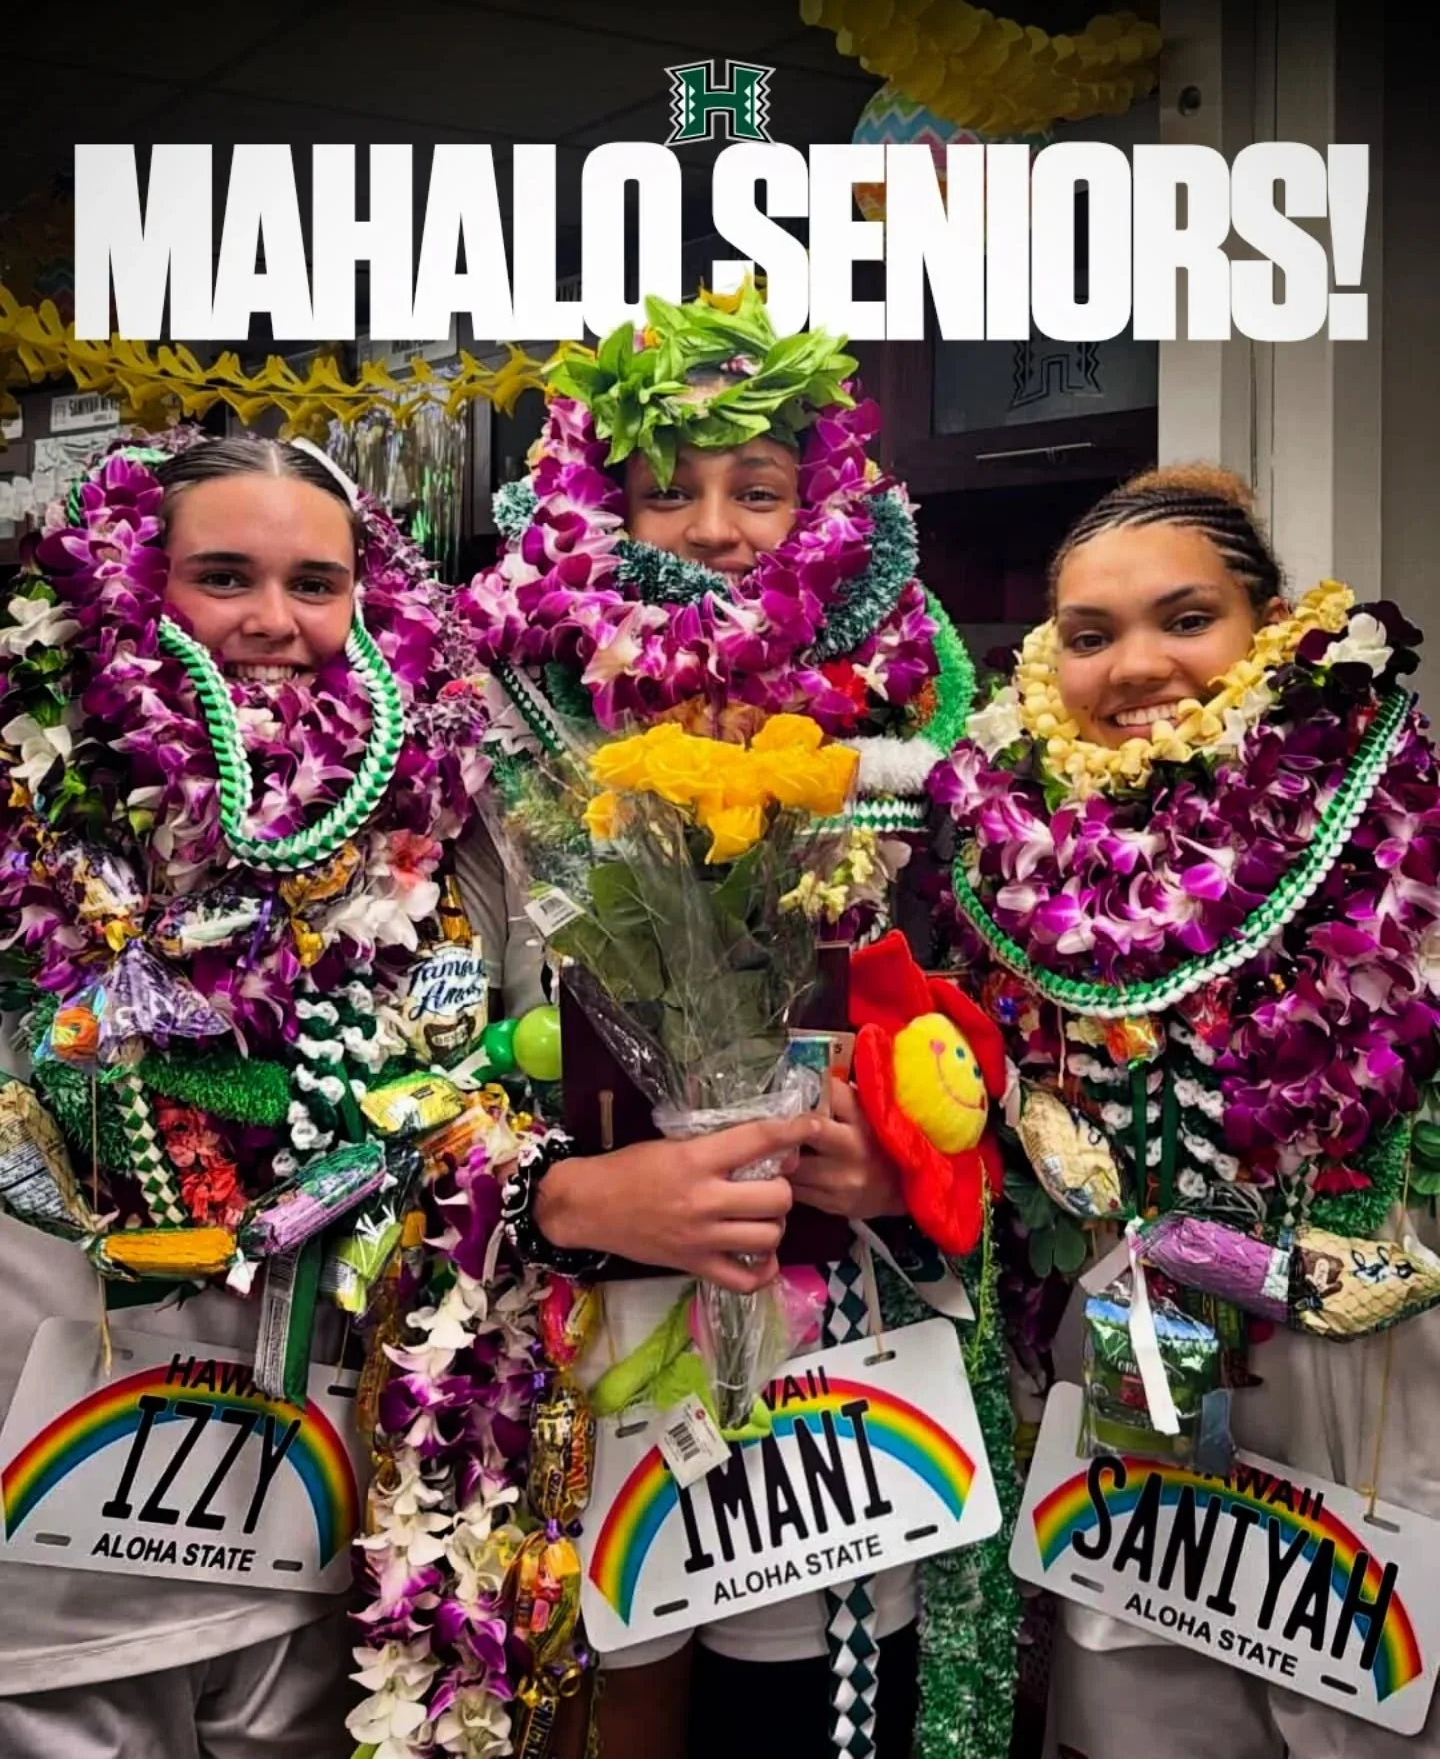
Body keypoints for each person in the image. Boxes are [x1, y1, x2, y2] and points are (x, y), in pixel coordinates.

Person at [0, 428, 816, 1759]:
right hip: (57, 1539)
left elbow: (485, 1076)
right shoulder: (32, 804)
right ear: (138, 585)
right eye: (224, 577)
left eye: (316, 586)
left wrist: (563, 1183)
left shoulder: (435, 819)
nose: (276, 622)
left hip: (331, 1515)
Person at [457, 281, 1017, 1759]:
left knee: (813, 1710)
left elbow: (995, 1054)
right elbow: (412, 1061)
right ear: (596, 512)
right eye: (668, 493)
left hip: (841, 1352)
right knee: (605, 1699)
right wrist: (567, 1195)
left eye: (760, 490)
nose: (715, 529)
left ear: (824, 513)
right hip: (571, 1340)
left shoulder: (912, 748)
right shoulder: (498, 739)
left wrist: (900, 1171)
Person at [929, 462, 1440, 1759]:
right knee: (1134, 1706)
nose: (1138, 666)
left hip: (1362, 1359)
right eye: (1091, 637)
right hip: (1132, 1350)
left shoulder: (1398, 836)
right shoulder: (1010, 867)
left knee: (1364, 1709)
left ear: (1270, 628)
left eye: (1186, 619)